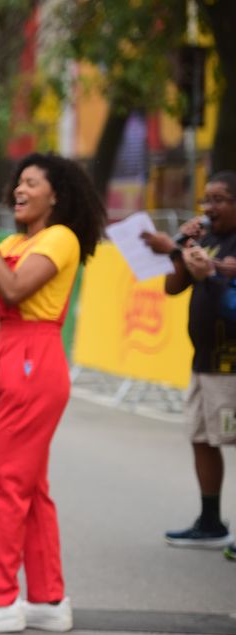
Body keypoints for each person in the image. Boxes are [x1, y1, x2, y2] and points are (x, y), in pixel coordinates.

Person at [0, 153, 106, 634]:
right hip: (9, 354)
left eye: (32, 183)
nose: (20, 188)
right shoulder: (14, 241)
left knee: (3, 482)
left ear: (56, 195)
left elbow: (15, 289)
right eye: (19, 181)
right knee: (29, 486)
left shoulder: (61, 238)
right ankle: (47, 599)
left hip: (36, 357)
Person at [140, 171, 236, 558]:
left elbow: (226, 281)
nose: (209, 208)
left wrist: (197, 262)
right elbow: (173, 287)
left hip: (231, 365)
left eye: (219, 200)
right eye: (205, 200)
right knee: (201, 437)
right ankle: (210, 522)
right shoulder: (207, 239)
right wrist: (179, 245)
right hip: (204, 362)